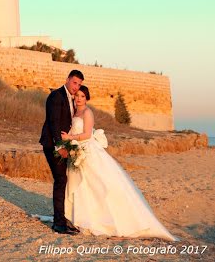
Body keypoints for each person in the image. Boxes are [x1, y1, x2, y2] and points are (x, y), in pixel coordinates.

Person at [61, 86, 177, 240]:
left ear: (87, 98)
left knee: (98, 185)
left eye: (82, 96)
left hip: (88, 151)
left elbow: (87, 134)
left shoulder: (88, 112)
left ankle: (99, 219)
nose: (79, 98)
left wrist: (70, 138)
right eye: (77, 95)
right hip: (76, 150)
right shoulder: (74, 112)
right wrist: (68, 140)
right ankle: (78, 218)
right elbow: (73, 129)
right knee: (80, 184)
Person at [39, 69, 84, 234]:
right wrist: (60, 147)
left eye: (79, 84)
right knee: (60, 180)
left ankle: (64, 219)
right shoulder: (56, 96)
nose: (76, 86)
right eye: (74, 82)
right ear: (67, 80)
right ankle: (58, 224)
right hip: (53, 145)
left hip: (64, 145)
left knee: (64, 181)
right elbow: (54, 123)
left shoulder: (71, 98)